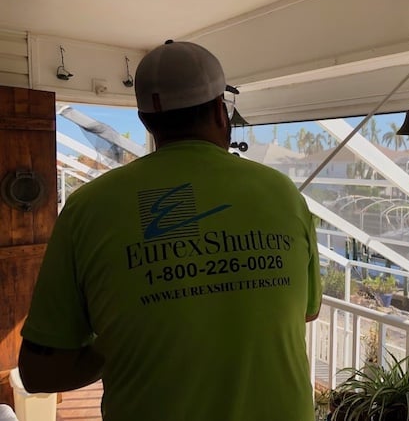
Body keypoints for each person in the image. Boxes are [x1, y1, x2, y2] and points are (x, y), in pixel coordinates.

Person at [18, 40, 322, 421]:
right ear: (219, 110)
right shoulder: (282, 193)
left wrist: (114, 343)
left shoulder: (89, 206)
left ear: (147, 120)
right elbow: (307, 311)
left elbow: (39, 371)